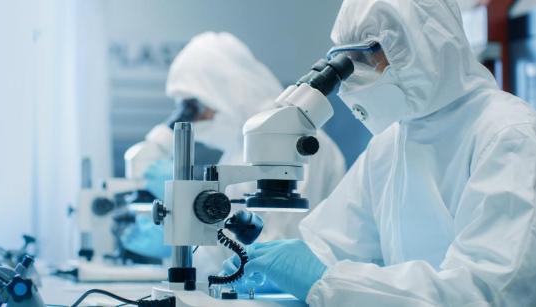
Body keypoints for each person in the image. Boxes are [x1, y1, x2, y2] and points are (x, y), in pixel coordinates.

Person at [226, 0, 536, 306]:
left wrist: (326, 280)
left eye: (370, 58)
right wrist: (276, 266)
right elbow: (332, 244)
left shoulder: (507, 135)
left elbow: (486, 291)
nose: (357, 78)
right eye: (350, 62)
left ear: (425, 46)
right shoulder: (391, 142)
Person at [121, 32, 346, 276]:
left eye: (197, 107)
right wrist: (180, 232)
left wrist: (195, 209)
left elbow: (273, 245)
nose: (198, 119)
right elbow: (222, 255)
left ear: (225, 90)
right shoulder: (236, 152)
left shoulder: (293, 141)